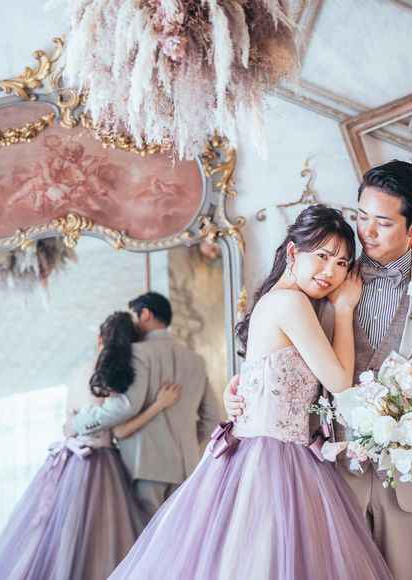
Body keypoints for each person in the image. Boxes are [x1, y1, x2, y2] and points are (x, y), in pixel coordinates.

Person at [225, 161, 412, 580]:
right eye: (362, 216)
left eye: (383, 223)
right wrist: (239, 392)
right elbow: (278, 358)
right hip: (331, 481)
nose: (367, 232)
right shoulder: (323, 279)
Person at [109, 205, 393, 579]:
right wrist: (344, 308)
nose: (331, 271)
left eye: (341, 263)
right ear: (293, 252)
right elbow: (340, 382)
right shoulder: (291, 302)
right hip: (275, 456)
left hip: (269, 449)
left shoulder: (279, 300)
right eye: (323, 256)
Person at [0, 312, 181, 580]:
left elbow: (71, 421)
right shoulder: (108, 378)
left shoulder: (77, 373)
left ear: (99, 339)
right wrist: (158, 405)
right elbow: (120, 428)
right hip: (97, 461)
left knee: (62, 532)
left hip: (68, 458)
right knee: (101, 537)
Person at [65, 292, 220, 517]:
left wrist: (77, 424)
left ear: (145, 314)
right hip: (188, 466)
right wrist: (186, 441)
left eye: (135, 317)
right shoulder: (195, 360)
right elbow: (212, 417)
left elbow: (125, 406)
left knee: (148, 535)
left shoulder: (138, 353)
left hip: (146, 465)